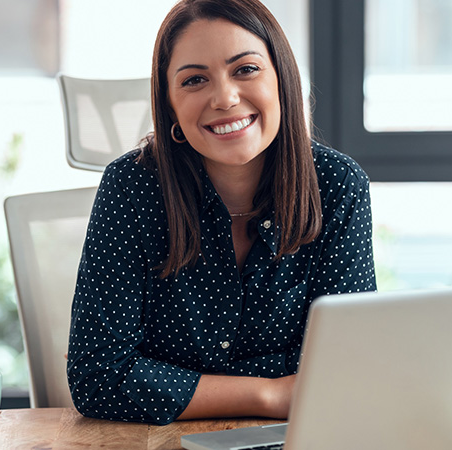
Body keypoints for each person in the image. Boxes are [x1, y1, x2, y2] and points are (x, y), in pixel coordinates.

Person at [67, 0, 376, 425]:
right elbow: (98, 377)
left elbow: (348, 366)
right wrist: (269, 394)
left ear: (281, 79)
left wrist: (170, 383)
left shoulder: (337, 186)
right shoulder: (132, 188)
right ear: (170, 105)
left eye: (245, 69)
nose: (225, 98)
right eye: (194, 80)